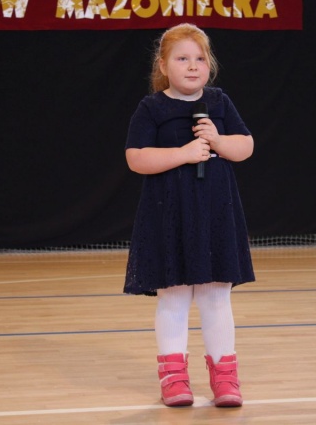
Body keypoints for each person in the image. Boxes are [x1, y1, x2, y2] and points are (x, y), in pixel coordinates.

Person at [123, 23, 255, 408]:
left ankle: (225, 378)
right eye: (182, 58)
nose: (193, 66)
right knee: (175, 296)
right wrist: (183, 153)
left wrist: (217, 140)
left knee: (216, 296)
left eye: (200, 58)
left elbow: (245, 146)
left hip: (215, 213)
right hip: (169, 215)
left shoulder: (219, 102)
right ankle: (174, 379)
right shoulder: (152, 108)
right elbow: (136, 158)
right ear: (164, 66)